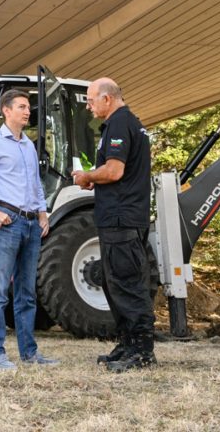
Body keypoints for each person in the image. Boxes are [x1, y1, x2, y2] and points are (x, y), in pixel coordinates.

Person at [0, 89, 58, 370]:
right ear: (6, 111)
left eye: (28, 107)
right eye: (21, 106)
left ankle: (29, 354)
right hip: (6, 224)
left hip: (31, 225)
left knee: (27, 293)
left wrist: (42, 214)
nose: (27, 111)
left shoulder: (28, 146)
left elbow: (35, 185)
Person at [71, 78, 157, 372]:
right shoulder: (125, 123)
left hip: (123, 218)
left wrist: (87, 177)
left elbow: (115, 170)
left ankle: (143, 351)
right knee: (113, 283)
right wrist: (96, 181)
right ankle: (128, 343)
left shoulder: (120, 124)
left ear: (107, 99)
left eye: (91, 100)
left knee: (128, 284)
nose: (89, 106)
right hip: (118, 216)